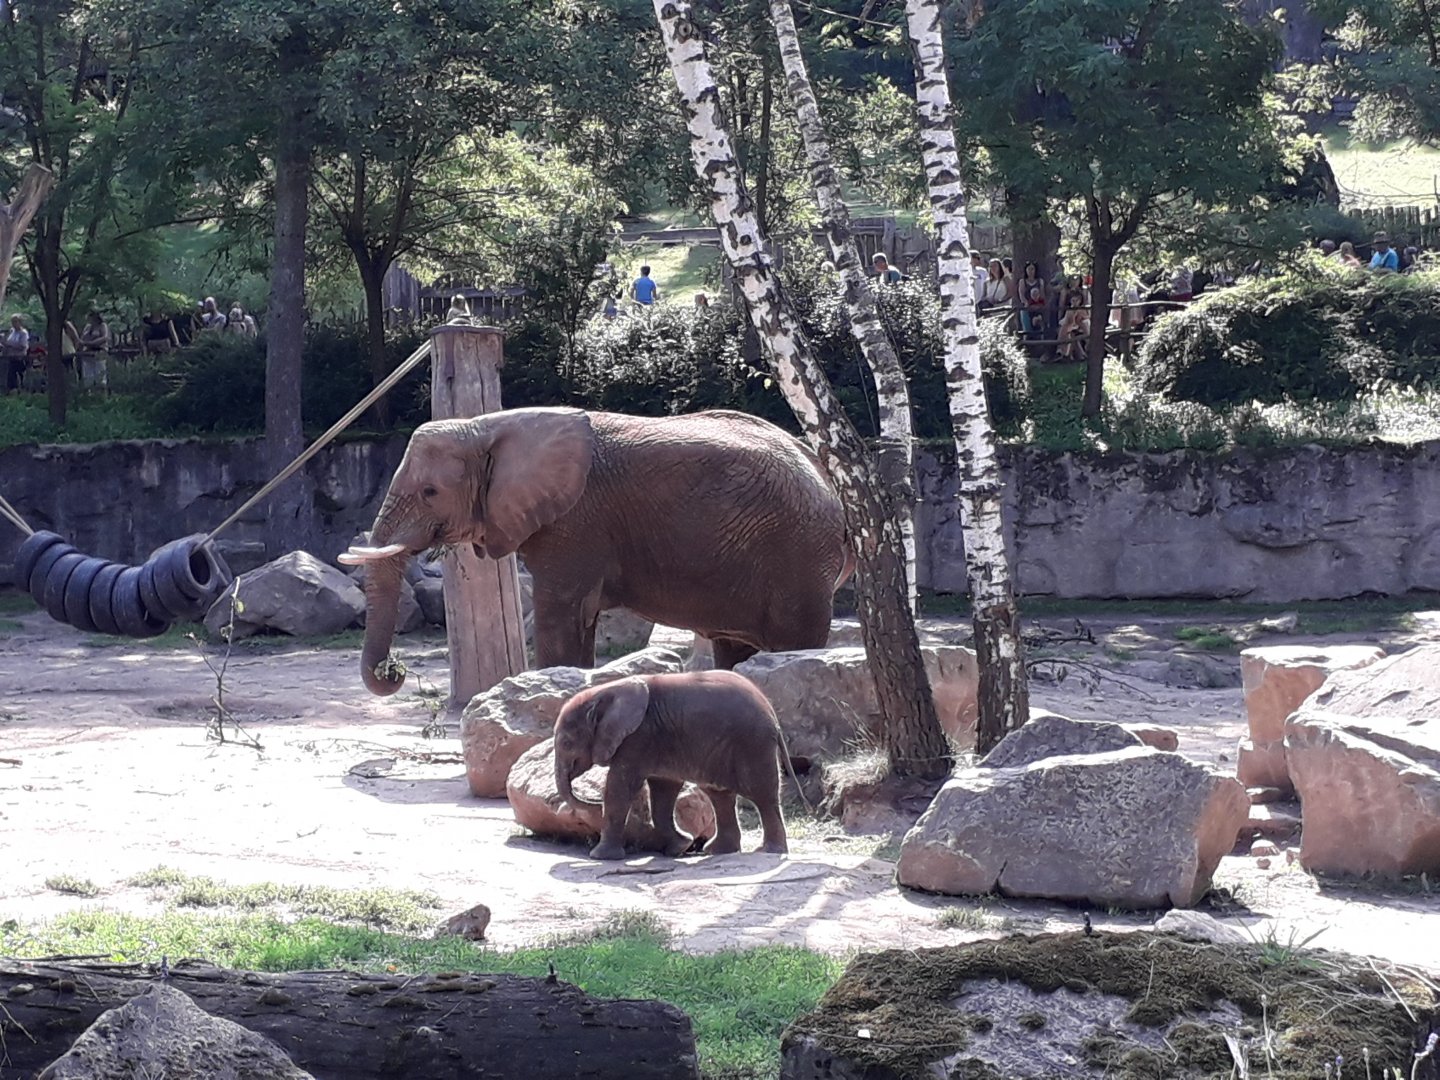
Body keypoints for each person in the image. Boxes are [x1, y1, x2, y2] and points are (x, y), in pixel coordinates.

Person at [78, 310, 110, 389]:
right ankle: (90, 395)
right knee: (88, 378)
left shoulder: (102, 326)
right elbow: (82, 339)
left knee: (100, 376)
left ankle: (102, 395)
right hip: (87, 354)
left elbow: (104, 338)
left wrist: (92, 343)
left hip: (99, 353)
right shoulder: (88, 327)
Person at [1018, 261, 1047, 337]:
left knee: (1040, 321)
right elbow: (1021, 294)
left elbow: (1042, 294)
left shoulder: (1040, 281)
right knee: (1027, 323)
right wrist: (1026, 303)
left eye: (1032, 269)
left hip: (1038, 305)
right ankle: (1027, 336)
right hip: (1027, 306)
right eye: (1029, 269)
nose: (1030, 271)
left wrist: (1041, 303)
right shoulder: (1022, 281)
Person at [4, 314, 29, 394]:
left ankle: (21, 390)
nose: (14, 324)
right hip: (11, 358)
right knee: (11, 377)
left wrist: (10, 345)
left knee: (19, 376)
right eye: (12, 322)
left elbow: (22, 345)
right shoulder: (11, 332)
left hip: (20, 358)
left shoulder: (23, 333)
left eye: (15, 322)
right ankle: (11, 391)